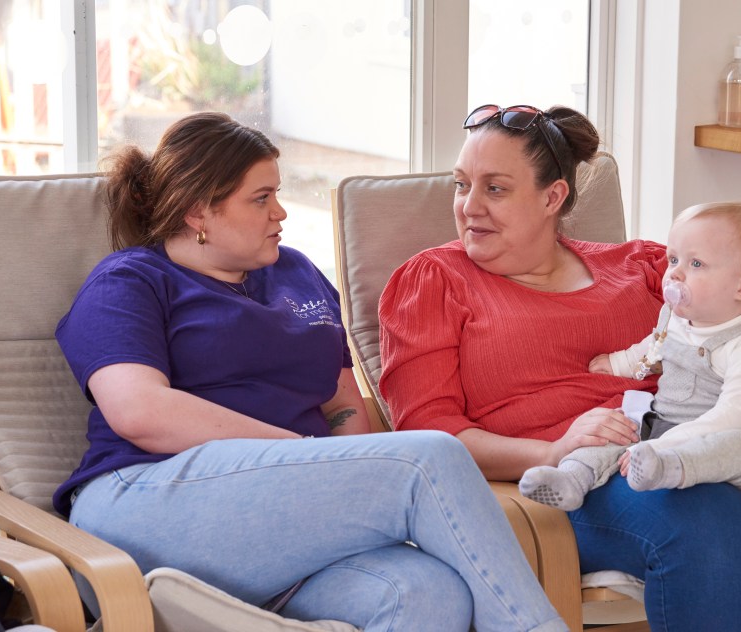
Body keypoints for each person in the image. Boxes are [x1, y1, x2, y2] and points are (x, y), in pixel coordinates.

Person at [378, 103, 741, 631]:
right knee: (709, 526)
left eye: (494, 188)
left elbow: (731, 344)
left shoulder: (642, 265)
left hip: (705, 437)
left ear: (554, 196)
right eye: (461, 184)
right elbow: (428, 435)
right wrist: (553, 451)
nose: (469, 206)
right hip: (579, 479)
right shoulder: (433, 282)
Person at [53, 112, 568, 632]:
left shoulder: (295, 271)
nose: (280, 212)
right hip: (144, 503)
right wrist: (301, 454)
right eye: (260, 198)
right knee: (427, 457)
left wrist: (328, 464)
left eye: (277, 194)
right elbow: (139, 411)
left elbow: (342, 403)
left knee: (426, 593)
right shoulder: (131, 280)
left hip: (278, 523)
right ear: (197, 211)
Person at [519, 202, 741, 511]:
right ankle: (572, 477)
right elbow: (653, 347)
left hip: (726, 442)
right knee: (615, 427)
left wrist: (663, 448)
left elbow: (732, 416)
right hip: (663, 427)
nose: (674, 273)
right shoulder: (676, 318)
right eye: (673, 259)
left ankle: (668, 469)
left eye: (696, 264)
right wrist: (617, 363)